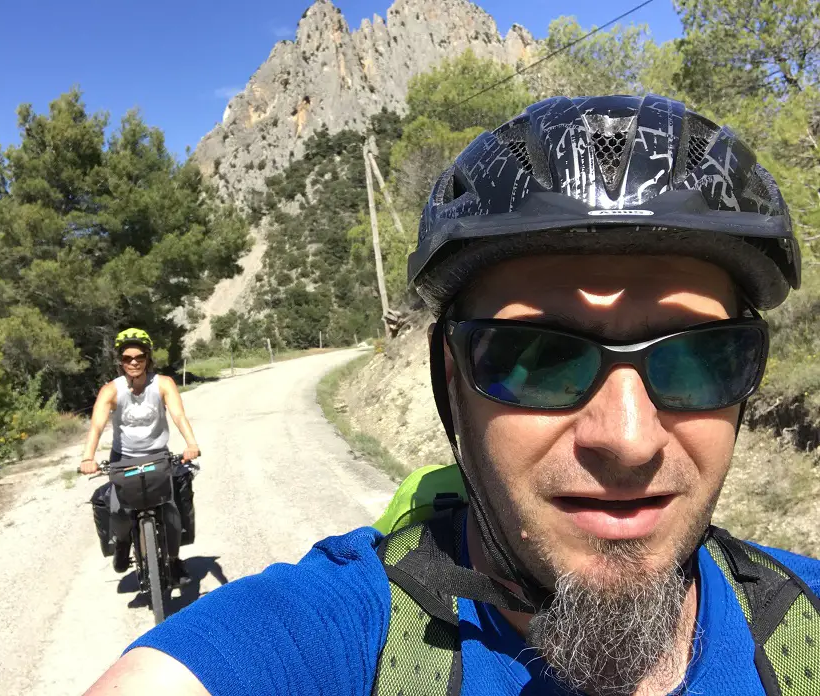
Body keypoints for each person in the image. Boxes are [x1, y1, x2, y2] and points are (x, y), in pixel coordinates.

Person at [84, 96, 820, 696]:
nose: (626, 439)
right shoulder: (353, 636)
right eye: (534, 359)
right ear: (448, 381)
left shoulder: (803, 628)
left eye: (697, 358)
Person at [80, 328, 201, 584]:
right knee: (119, 508)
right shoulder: (111, 390)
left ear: (148, 358)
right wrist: (87, 458)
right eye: (127, 358)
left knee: (169, 506)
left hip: (158, 455)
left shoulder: (163, 384)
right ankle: (123, 543)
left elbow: (178, 415)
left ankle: (173, 559)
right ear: (120, 361)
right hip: (123, 457)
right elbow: (97, 425)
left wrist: (191, 443)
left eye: (139, 357)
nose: (133, 362)